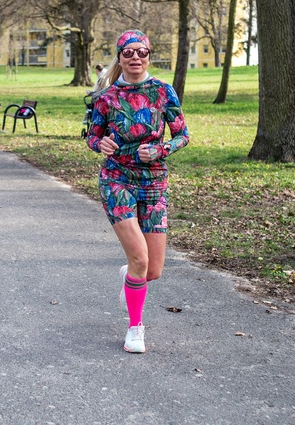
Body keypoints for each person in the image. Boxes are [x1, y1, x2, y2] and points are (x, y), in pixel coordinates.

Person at [86, 30, 189, 353]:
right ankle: (135, 328)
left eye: (141, 52)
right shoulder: (107, 97)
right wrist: (99, 143)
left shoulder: (162, 91)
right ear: (120, 57)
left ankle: (129, 273)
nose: (135, 58)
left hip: (154, 183)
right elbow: (92, 137)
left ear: (148, 55)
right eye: (128, 52)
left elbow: (182, 135)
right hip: (117, 180)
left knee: (152, 270)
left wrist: (161, 150)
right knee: (141, 260)